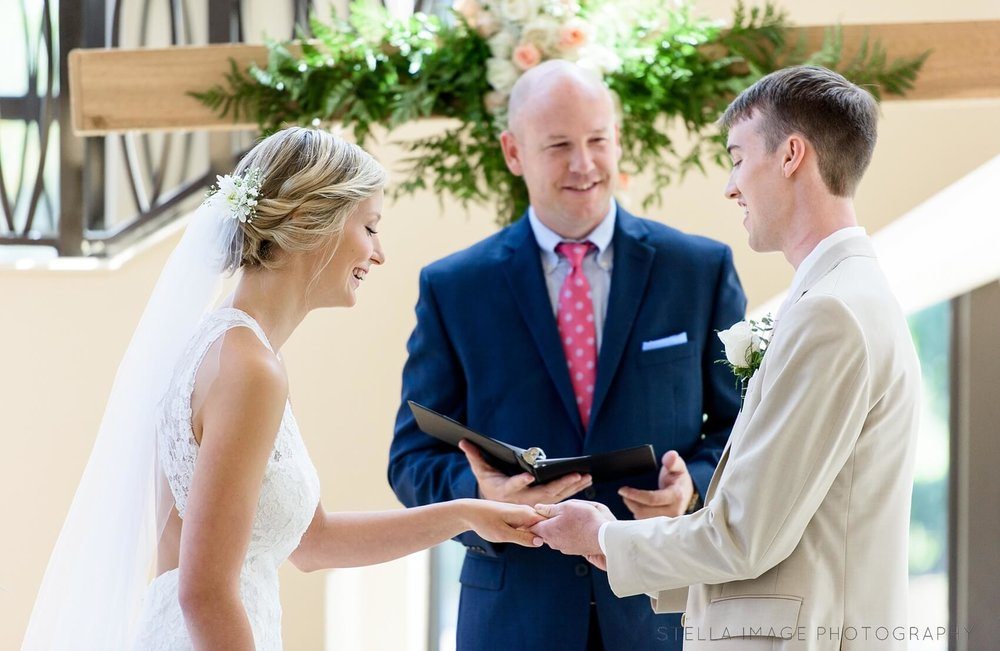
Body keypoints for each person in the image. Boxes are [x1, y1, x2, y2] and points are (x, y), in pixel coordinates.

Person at [23, 127, 543, 650]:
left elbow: (313, 543)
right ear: (309, 222)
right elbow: (203, 592)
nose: (379, 254)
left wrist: (467, 513)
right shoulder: (248, 368)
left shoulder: (237, 349)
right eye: (369, 227)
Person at [532, 66, 922, 650]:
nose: (730, 185)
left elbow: (746, 536)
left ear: (792, 154)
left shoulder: (833, 314)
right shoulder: (838, 297)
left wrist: (605, 537)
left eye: (738, 157)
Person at [388, 61, 746, 650]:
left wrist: (693, 491)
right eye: (558, 146)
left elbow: (741, 430)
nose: (584, 165)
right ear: (513, 152)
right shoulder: (455, 287)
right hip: (513, 622)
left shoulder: (699, 270)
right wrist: (482, 501)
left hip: (662, 615)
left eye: (598, 141)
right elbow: (410, 458)